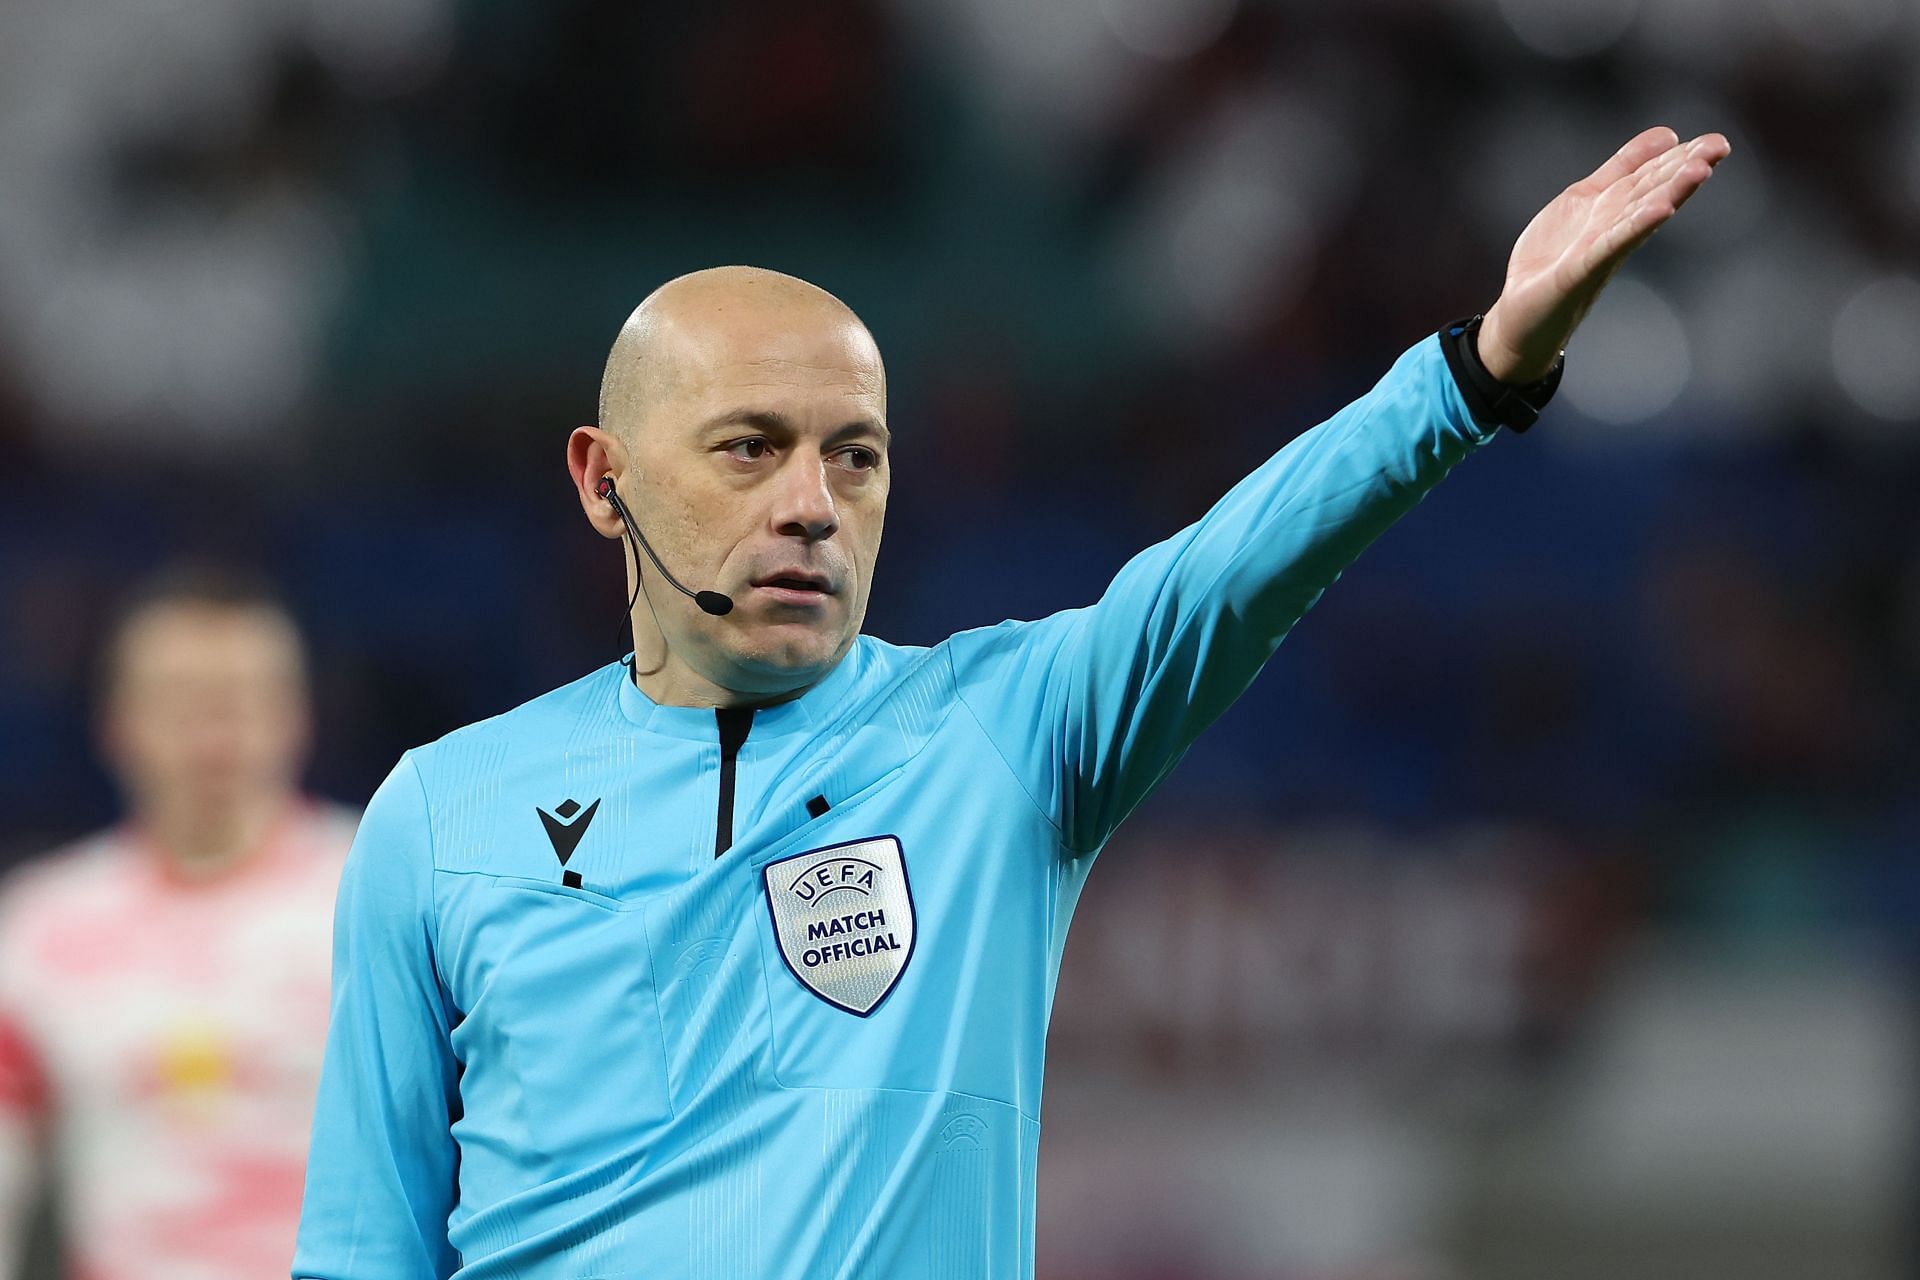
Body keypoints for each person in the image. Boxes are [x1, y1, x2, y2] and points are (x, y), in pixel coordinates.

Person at [294, 126, 1730, 1279]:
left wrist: (1473, 376)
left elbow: (1224, 578)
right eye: (750, 448)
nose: (810, 504)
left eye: (853, 458)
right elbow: (363, 1251)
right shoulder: (441, 813)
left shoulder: (995, 739)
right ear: (603, 479)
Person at [0, 567, 355, 1280]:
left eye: (245, 698)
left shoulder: (394, 901)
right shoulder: (38, 927)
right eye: (183, 701)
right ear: (115, 722)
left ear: (300, 715)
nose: (217, 730)